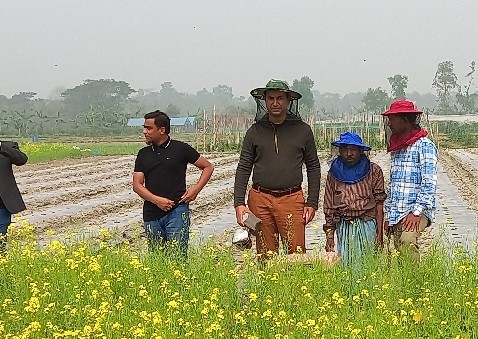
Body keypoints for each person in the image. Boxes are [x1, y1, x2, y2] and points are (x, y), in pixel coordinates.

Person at [234, 79, 321, 256]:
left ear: (288, 100)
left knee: (296, 254)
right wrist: (239, 204)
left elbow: (313, 167)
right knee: (265, 255)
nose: (275, 103)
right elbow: (243, 167)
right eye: (271, 98)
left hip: (292, 199)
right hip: (260, 200)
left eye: (280, 98)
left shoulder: (303, 130)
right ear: (264, 101)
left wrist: (312, 203)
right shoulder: (254, 131)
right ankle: (269, 283)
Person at [132, 110, 214, 257]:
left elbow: (207, 166)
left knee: (178, 257)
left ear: (162, 130)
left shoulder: (181, 149)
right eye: (144, 127)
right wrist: (157, 201)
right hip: (151, 214)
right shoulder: (143, 154)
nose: (144, 132)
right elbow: (137, 185)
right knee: (156, 258)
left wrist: (195, 190)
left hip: (177, 211)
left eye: (149, 128)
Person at [382, 99, 438, 260]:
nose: (389, 124)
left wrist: (416, 213)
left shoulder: (424, 146)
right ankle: (406, 283)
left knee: (407, 241)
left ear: (404, 120)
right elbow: (394, 186)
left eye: (392, 120)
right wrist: (389, 217)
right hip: (397, 210)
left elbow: (429, 183)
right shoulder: (398, 148)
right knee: (399, 249)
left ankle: (415, 283)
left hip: (417, 209)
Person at [323, 132, 386, 268]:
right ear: (339, 151)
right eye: (345, 149)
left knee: (368, 265)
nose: (349, 153)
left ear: (361, 151)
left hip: (367, 223)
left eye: (353, 150)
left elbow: (379, 204)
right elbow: (329, 205)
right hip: (344, 225)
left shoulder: (374, 171)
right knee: (347, 265)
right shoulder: (333, 173)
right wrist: (329, 236)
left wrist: (379, 235)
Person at [0, 141, 28, 252]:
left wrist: (2, 146)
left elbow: (22, 160)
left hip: (2, 204)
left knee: (1, 238)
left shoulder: (8, 147)